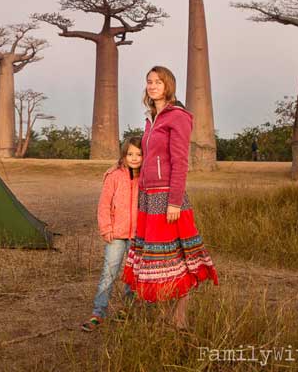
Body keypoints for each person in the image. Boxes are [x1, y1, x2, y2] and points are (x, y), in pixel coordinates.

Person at [123, 65, 218, 330]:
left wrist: (174, 201)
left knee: (176, 258)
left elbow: (180, 162)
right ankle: (168, 315)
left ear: (169, 86)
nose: (152, 86)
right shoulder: (150, 119)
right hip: (148, 198)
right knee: (158, 260)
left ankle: (180, 318)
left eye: (158, 82)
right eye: (149, 81)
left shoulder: (178, 116)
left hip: (167, 198)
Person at [81, 137, 143, 332]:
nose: (134, 158)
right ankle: (98, 313)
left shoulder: (146, 178)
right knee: (109, 273)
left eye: (139, 154)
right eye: (130, 154)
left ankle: (127, 309)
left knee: (133, 274)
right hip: (116, 233)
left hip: (137, 235)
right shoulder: (114, 175)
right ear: (123, 155)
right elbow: (104, 205)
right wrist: (106, 228)